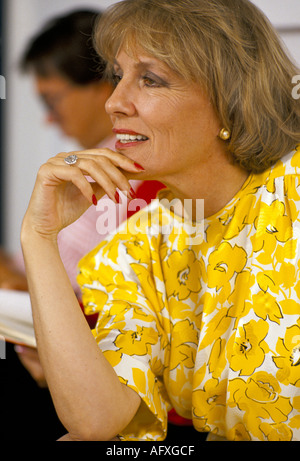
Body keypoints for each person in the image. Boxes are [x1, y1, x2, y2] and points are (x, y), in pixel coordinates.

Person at [20, 0, 300, 442]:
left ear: (229, 99)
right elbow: (94, 422)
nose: (114, 102)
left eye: (150, 80)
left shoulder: (292, 198)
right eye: (118, 76)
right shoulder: (142, 243)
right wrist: (38, 236)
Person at [1, 9, 163, 441]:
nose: (48, 120)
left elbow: (110, 305)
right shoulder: (87, 169)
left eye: (52, 101)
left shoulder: (135, 176)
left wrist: (16, 282)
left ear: (98, 86)